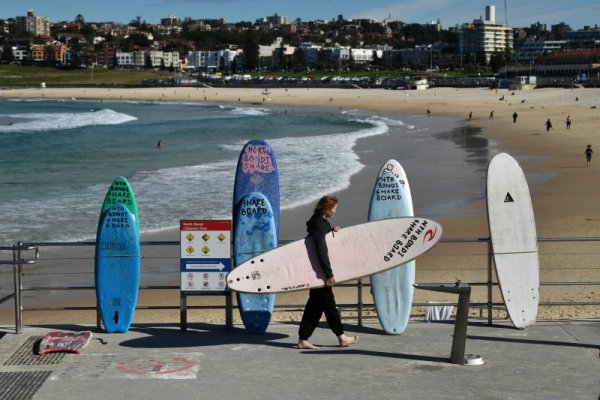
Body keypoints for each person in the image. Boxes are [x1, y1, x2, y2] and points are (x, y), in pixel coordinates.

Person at [297, 195, 359, 350]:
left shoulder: (320, 222)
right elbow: (321, 250)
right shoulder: (318, 224)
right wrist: (328, 273)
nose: (335, 211)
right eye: (334, 208)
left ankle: (303, 339)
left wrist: (332, 230)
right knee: (329, 305)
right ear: (326, 208)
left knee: (315, 307)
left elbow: (323, 239)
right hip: (320, 273)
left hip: (317, 272)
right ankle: (342, 337)